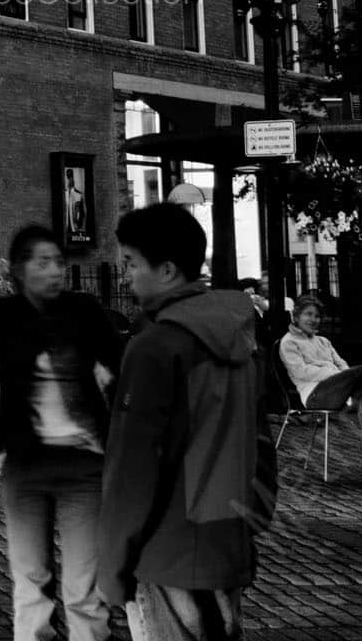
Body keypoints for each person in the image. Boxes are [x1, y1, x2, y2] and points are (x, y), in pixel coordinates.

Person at [98, 203, 275, 641]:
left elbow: (132, 472)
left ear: (167, 269)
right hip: (225, 538)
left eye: (131, 263)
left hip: (168, 547)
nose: (125, 276)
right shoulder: (241, 335)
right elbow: (262, 442)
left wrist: (112, 567)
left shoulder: (155, 347)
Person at [0, 224, 123, 641]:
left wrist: (115, 427)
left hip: (84, 464)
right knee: (31, 580)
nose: (55, 271)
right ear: (20, 269)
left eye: (59, 262)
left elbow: (122, 367)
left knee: (85, 588)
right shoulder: (3, 317)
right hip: (27, 465)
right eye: (43, 262)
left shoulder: (84, 312)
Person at [278, 293, 362, 465]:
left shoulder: (323, 341)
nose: (313, 319)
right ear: (297, 316)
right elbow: (301, 372)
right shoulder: (288, 342)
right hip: (314, 395)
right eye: (308, 314)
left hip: (336, 391)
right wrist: (338, 374)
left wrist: (345, 375)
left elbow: (342, 364)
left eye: (317, 316)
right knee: (360, 372)